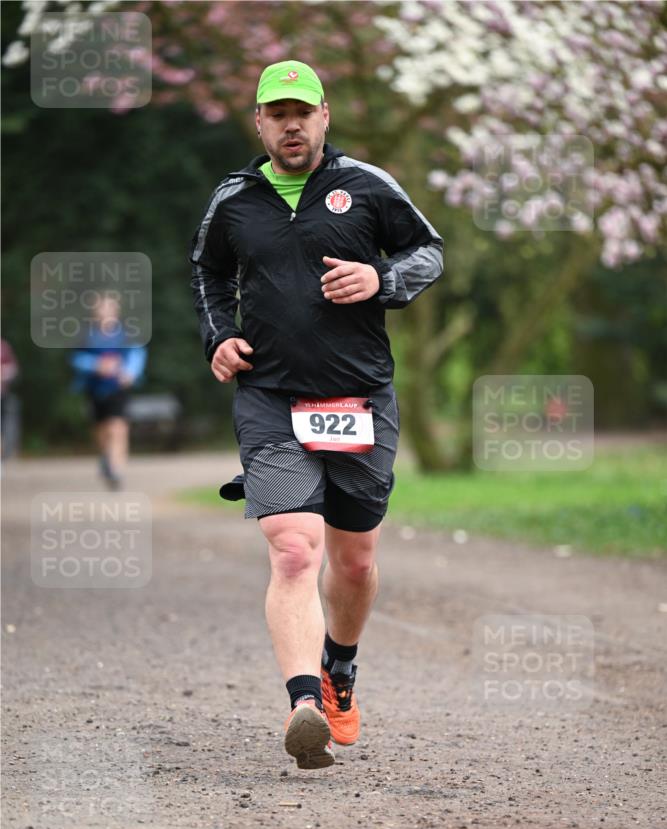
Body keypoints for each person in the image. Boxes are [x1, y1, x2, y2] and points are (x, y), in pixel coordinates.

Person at [190, 61, 443, 770]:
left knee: (355, 562)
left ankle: (338, 668)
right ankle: (303, 705)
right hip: (270, 396)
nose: (291, 123)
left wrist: (381, 279)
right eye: (278, 112)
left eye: (303, 111)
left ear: (324, 116)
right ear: (260, 122)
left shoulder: (366, 186)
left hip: (358, 395)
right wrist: (219, 337)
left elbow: (428, 251)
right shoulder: (235, 199)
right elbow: (206, 271)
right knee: (295, 548)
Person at [71, 293, 147, 490]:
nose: (105, 312)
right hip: (95, 389)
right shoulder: (87, 336)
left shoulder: (126, 334)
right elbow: (76, 359)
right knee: (101, 430)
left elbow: (138, 353)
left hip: (118, 388)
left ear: (116, 310)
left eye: (109, 308)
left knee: (118, 428)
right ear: (95, 312)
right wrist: (96, 365)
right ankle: (106, 458)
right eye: (102, 308)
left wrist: (130, 373)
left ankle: (116, 470)